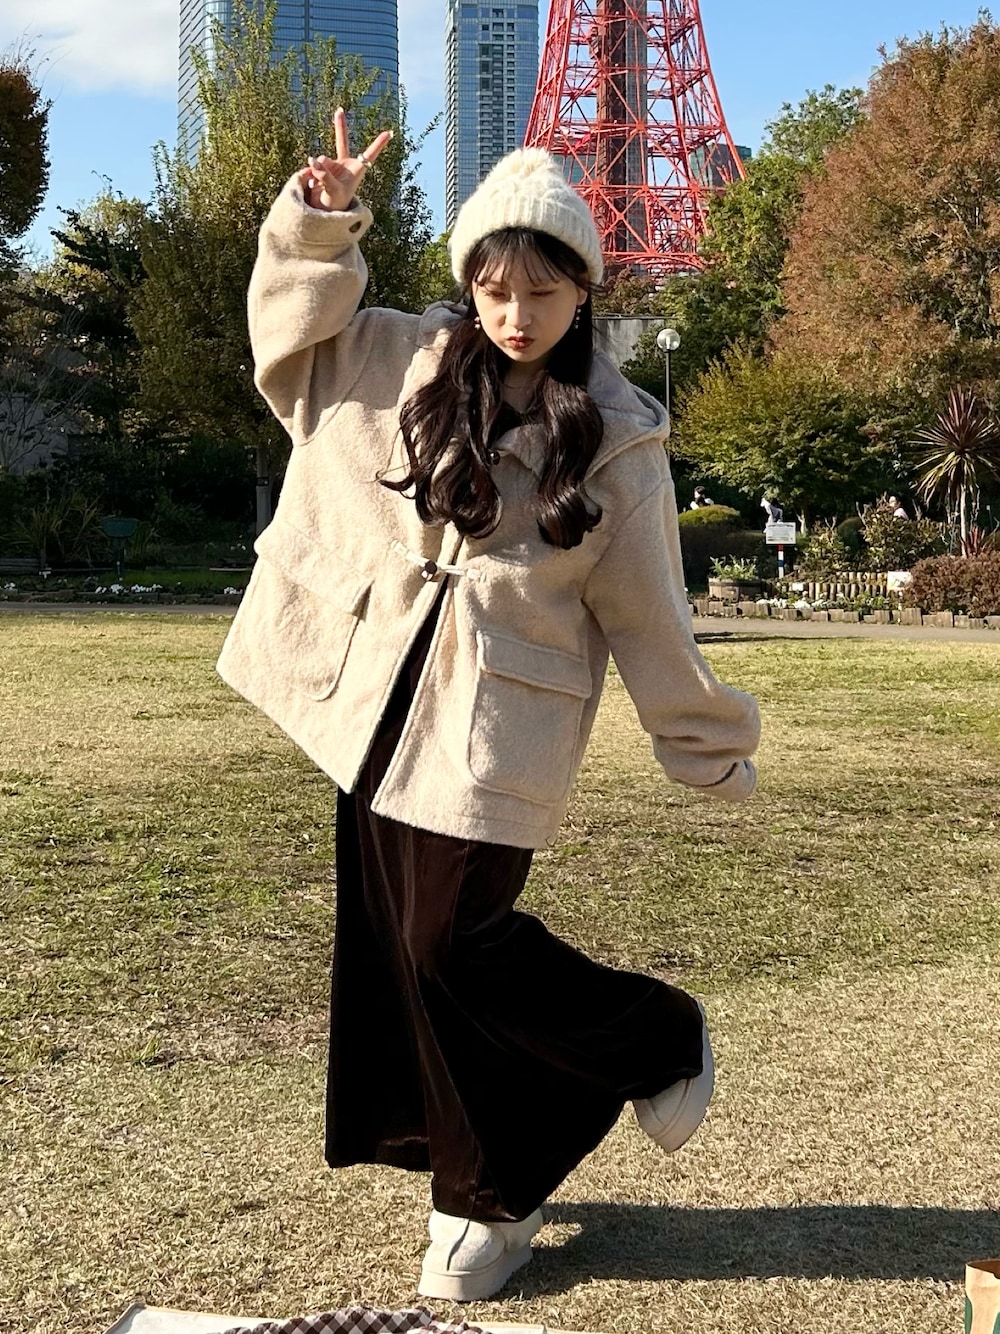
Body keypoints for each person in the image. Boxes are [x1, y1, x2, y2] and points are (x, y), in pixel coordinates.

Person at [218, 113, 760, 1302]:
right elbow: (284, 342)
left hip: (493, 726)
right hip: (366, 696)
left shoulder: (617, 434)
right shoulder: (391, 354)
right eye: (495, 287)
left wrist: (702, 738)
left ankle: (655, 1038)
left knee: (449, 941)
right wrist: (317, 223)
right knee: (401, 961)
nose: (517, 313)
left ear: (585, 289)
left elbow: (649, 610)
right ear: (467, 281)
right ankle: (480, 1190)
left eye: (544, 290)